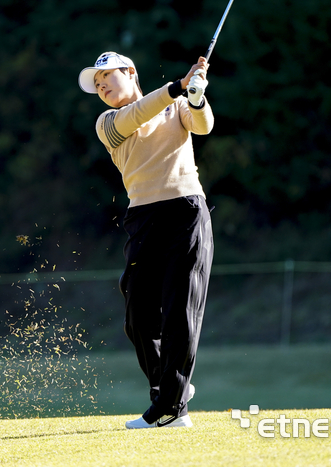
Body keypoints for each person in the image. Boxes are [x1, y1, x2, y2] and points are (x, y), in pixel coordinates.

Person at [78, 52, 214, 429]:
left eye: (107, 77)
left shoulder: (177, 107)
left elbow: (202, 126)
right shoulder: (107, 122)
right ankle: (169, 390)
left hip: (186, 210)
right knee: (138, 314)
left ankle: (170, 408)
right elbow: (137, 114)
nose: (102, 87)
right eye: (98, 85)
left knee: (179, 311)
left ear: (131, 72)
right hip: (143, 216)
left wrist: (197, 96)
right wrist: (178, 87)